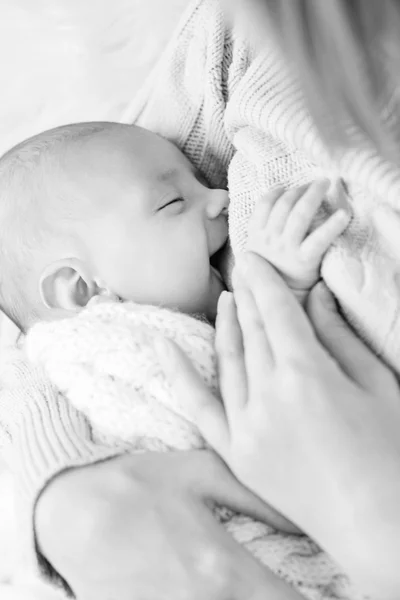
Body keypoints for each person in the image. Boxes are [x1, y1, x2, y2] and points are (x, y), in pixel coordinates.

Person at [2, 0, 400, 598]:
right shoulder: (261, 44)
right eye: (175, 202)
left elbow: (262, 424)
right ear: (81, 291)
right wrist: (68, 497)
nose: (217, 198)